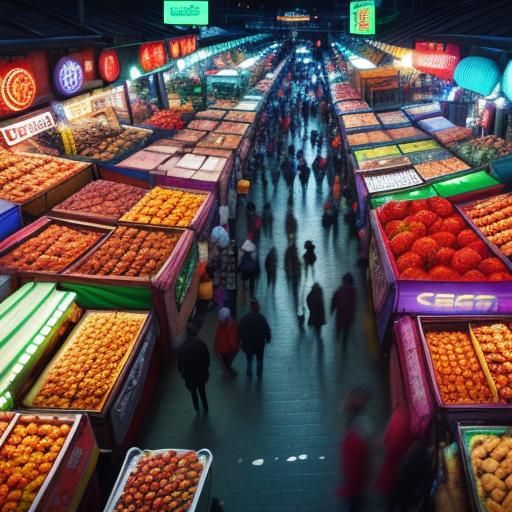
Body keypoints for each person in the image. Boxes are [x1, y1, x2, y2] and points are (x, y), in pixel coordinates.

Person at [337, 387, 372, 512]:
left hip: (354, 480)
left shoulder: (354, 432)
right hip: (356, 481)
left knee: (355, 503)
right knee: (356, 503)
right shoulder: (360, 429)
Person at [375, 407, 414, 507]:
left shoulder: (397, 417)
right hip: (400, 468)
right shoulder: (404, 419)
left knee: (391, 498)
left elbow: (385, 440)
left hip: (392, 467)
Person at [177, 323, 210, 414]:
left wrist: (182, 373)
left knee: (193, 393)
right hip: (201, 374)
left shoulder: (183, 348)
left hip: (190, 377)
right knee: (202, 391)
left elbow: (180, 365)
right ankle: (205, 407)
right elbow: (207, 358)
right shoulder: (200, 344)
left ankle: (197, 408)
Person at [238, 299, 271, 378]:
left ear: (250, 308)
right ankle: (259, 372)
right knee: (259, 358)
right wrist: (268, 338)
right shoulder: (262, 318)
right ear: (258, 308)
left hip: (248, 343)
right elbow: (267, 329)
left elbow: (239, 330)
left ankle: (249, 370)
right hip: (259, 344)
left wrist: (239, 340)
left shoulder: (245, 319)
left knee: (249, 357)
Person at [331, 272, 356, 348]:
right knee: (346, 330)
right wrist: (353, 312)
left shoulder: (339, 290)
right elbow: (354, 303)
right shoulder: (353, 291)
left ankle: (336, 341)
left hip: (340, 314)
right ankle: (343, 345)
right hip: (348, 315)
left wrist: (332, 310)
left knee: (339, 328)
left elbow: (334, 300)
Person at [214, 307, 239, 376]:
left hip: (223, 349)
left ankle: (227, 369)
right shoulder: (231, 325)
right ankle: (227, 369)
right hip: (227, 349)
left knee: (224, 360)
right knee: (226, 360)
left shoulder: (221, 325)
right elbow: (232, 339)